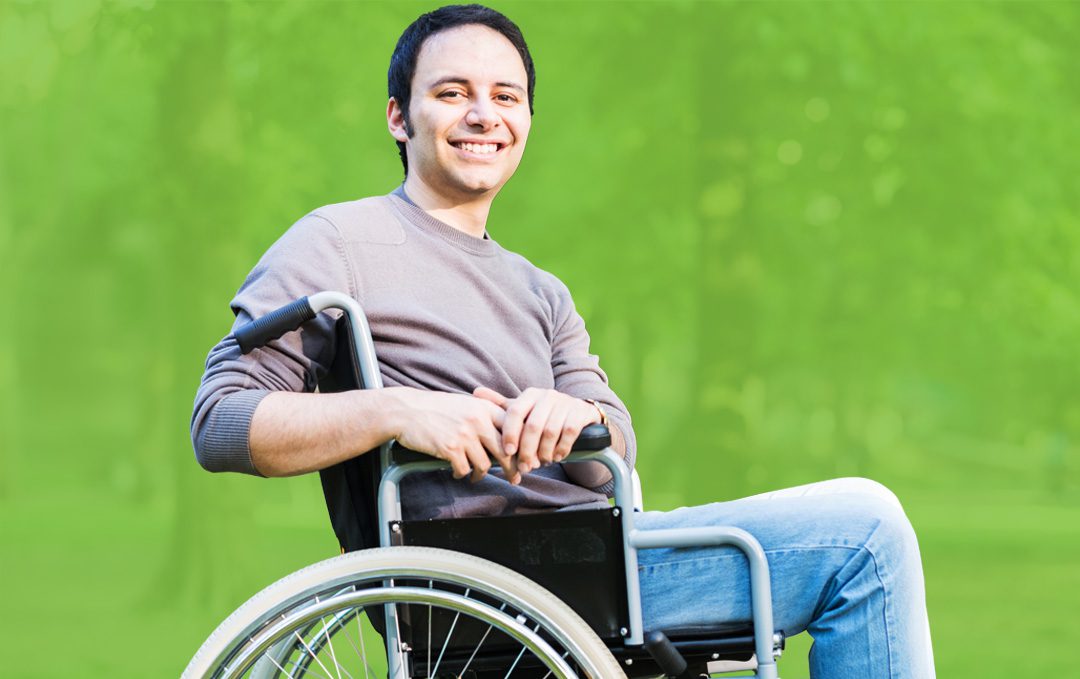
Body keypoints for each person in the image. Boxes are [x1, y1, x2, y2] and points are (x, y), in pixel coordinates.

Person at [192, 5, 935, 677]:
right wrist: (397, 410)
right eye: (452, 93)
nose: (483, 114)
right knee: (864, 534)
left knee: (864, 522)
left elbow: (614, 453)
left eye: (506, 97)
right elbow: (220, 422)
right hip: (492, 577)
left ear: (526, 121)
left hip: (595, 555)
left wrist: (577, 416)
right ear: (398, 117)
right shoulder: (337, 240)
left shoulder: (541, 290)